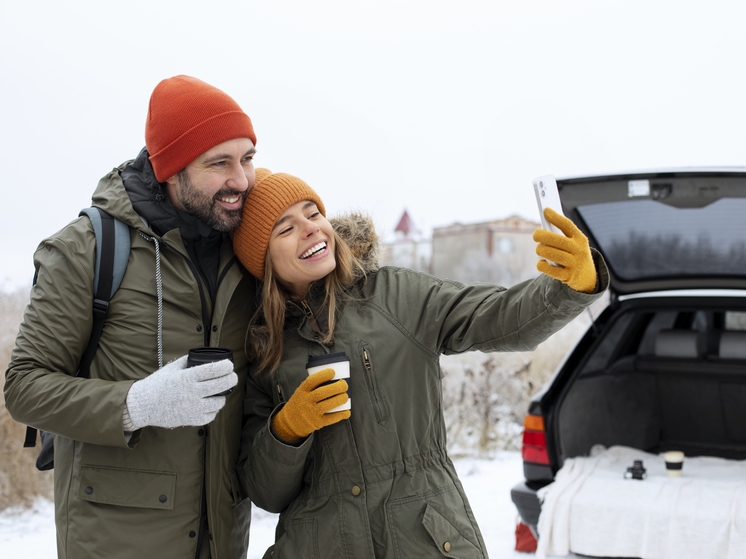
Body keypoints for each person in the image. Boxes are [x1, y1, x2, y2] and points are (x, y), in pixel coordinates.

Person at [233, 170, 610, 558]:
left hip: (426, 539)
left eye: (313, 214)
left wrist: (570, 286)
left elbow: (497, 315)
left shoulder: (397, 296)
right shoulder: (263, 347)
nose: (310, 229)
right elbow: (265, 493)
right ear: (262, 260)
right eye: (286, 228)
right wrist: (287, 428)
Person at [4, 75, 258, 559]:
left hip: (223, 539)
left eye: (247, 159)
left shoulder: (244, 246)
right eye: (219, 163)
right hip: (116, 541)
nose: (241, 180)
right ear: (170, 168)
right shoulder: (87, 250)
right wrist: (136, 404)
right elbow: (24, 387)